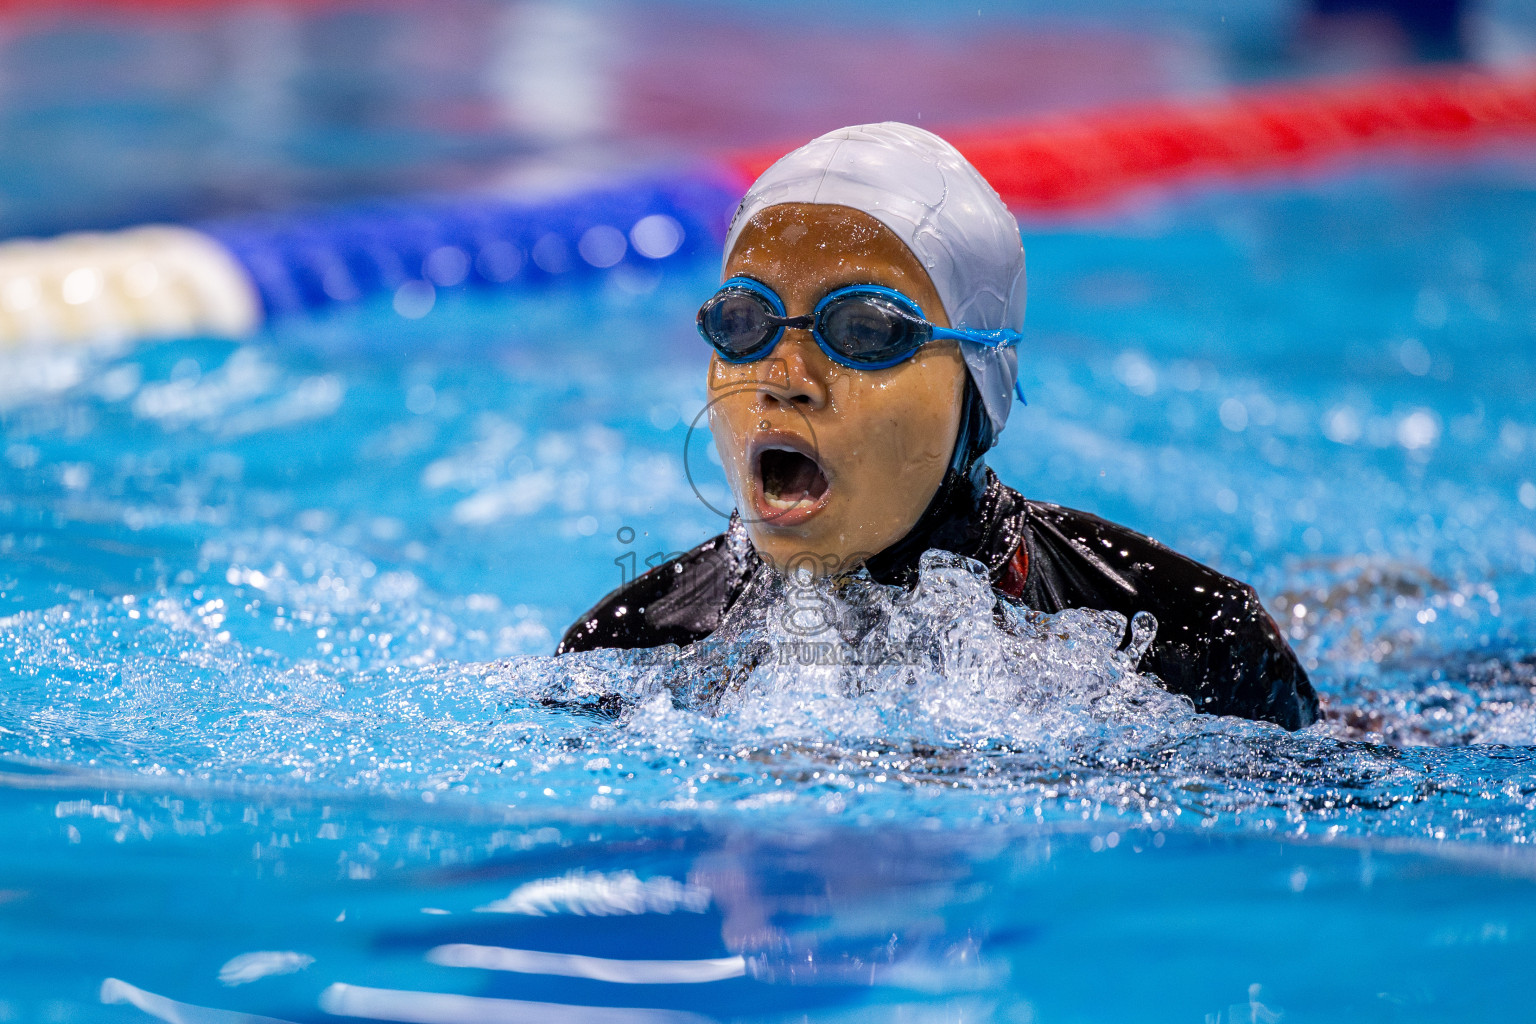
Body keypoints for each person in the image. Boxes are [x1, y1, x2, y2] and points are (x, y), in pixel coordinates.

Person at [558, 123, 1318, 731]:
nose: (782, 382)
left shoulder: (1189, 641)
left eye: (862, 330)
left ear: (979, 380)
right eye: (744, 322)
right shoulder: (630, 650)